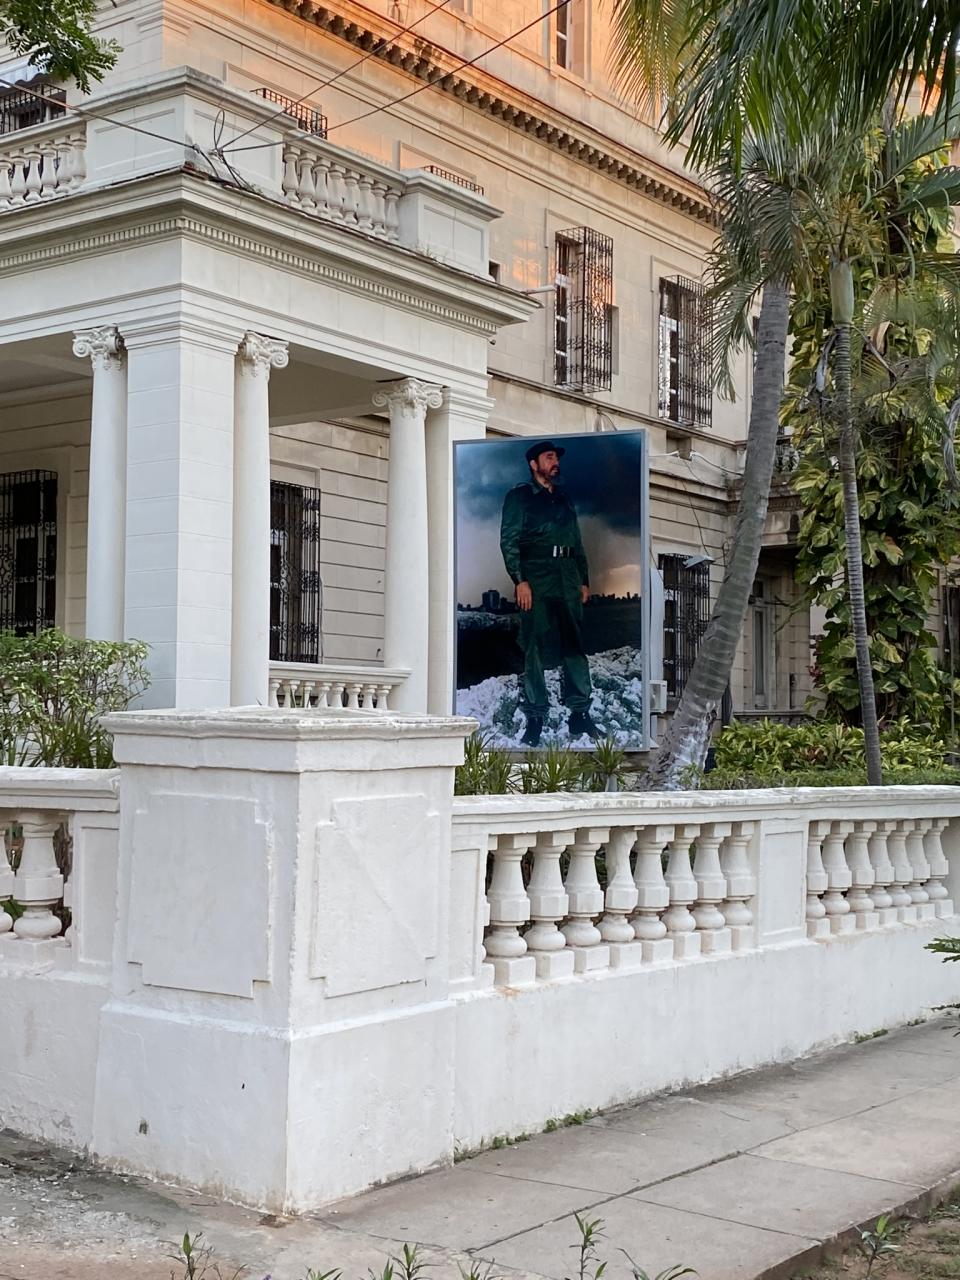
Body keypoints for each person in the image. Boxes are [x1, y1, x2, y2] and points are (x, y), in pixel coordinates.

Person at [499, 441, 600, 746]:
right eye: (549, 457)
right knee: (534, 648)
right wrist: (520, 581)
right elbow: (509, 541)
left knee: (574, 645)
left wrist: (583, 580)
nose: (555, 462)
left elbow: (577, 541)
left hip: (568, 578)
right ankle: (536, 717)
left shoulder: (564, 498)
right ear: (534, 464)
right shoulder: (519, 497)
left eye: (557, 458)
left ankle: (579, 714)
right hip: (537, 578)